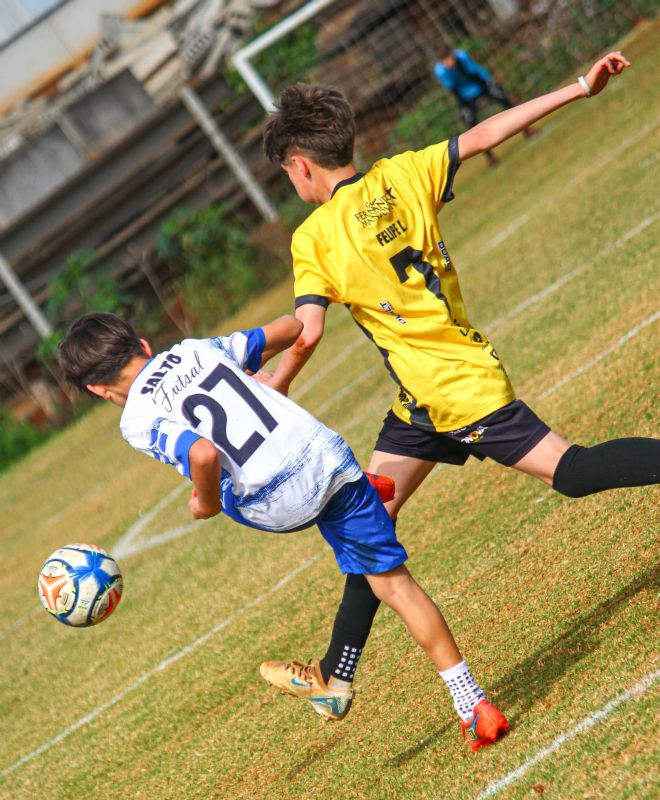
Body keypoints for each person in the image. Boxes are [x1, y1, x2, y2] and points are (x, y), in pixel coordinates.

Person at [257, 51, 660, 720]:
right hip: (424, 400)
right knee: (370, 522)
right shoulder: (405, 173)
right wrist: (576, 88)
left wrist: (269, 389)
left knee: (575, 472)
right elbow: (484, 134)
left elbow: (306, 333)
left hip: (458, 392)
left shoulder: (315, 236)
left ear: (300, 167)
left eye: (286, 175)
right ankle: (335, 673)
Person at [57, 311, 509, 751]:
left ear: (97, 388)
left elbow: (204, 456)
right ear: (143, 345)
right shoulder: (197, 349)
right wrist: (275, 376)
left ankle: (334, 677)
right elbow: (295, 329)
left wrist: (207, 503)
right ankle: (473, 705)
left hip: (277, 501)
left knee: (226, 489)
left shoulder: (135, 419)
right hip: (327, 455)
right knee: (396, 584)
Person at [434, 47, 537, 165]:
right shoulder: (440, 71)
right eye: (446, 61)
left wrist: (489, 82)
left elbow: (475, 70)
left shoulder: (462, 56)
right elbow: (451, 87)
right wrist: (451, 72)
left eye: (450, 59)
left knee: (507, 103)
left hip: (480, 85)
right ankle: (489, 156)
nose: (449, 62)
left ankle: (527, 129)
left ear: (453, 54)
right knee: (471, 125)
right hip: (464, 96)